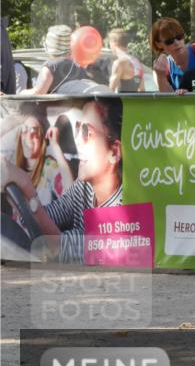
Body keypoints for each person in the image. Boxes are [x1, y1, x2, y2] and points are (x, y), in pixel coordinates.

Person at [3, 97, 123, 263]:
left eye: (87, 132)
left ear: (114, 152)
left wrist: (25, 185)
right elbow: (47, 216)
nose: (78, 140)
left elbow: (61, 249)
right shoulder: (84, 187)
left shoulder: (123, 209)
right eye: (78, 129)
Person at [20, 25, 86, 96]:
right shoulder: (79, 66)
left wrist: (21, 93)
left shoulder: (50, 67)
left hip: (53, 106)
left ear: (50, 46)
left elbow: (39, 92)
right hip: (75, 105)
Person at [151, 18, 195, 92]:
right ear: (158, 44)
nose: (177, 43)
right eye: (169, 41)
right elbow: (169, 100)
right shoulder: (162, 68)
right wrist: (161, 77)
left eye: (179, 37)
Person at [108, 28, 146, 92]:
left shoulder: (119, 63)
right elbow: (142, 89)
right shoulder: (137, 63)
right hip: (133, 101)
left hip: (120, 101)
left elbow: (111, 90)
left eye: (110, 44)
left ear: (114, 43)